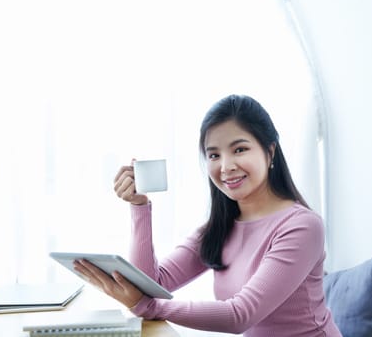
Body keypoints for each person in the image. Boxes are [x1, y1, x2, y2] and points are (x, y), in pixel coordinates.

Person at [74, 94, 342, 336]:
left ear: (269, 151)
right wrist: (139, 207)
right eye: (214, 155)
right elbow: (151, 284)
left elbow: (240, 316)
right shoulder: (219, 228)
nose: (226, 167)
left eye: (239, 149)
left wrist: (146, 306)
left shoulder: (302, 227)